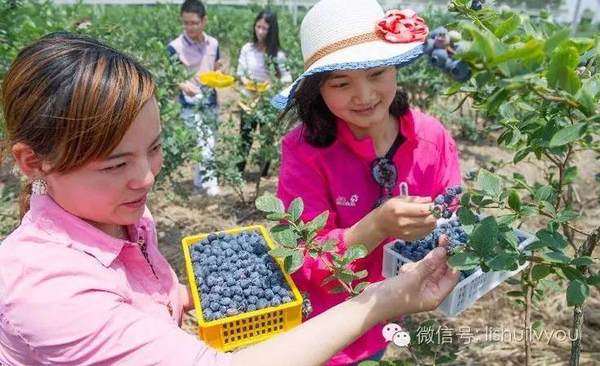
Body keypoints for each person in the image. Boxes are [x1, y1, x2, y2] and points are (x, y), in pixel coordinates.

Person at [0, 32, 459, 365]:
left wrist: (188, 300)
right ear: (32, 161)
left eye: (155, 149)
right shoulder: (45, 290)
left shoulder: (111, 213)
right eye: (115, 164)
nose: (146, 178)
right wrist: (385, 296)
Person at [273, 0, 462, 365]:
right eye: (341, 84)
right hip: (321, 331)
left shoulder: (431, 139)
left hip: (388, 318)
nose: (364, 96)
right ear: (319, 90)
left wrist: (440, 244)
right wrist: (375, 225)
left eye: (376, 74)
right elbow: (300, 257)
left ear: (395, 68)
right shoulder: (303, 151)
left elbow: (453, 212)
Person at [168, 0, 222, 196]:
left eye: (194, 23)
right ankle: (210, 184)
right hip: (190, 103)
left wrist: (220, 74)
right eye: (186, 23)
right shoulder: (174, 47)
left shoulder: (213, 44)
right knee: (203, 141)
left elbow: (215, 68)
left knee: (211, 141)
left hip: (211, 100)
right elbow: (172, 77)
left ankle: (199, 184)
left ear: (204, 21)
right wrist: (184, 86)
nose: (189, 27)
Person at [236, 10, 292, 177]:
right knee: (245, 137)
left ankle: (262, 173)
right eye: (258, 27)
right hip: (248, 101)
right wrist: (248, 82)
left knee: (266, 139)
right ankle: (239, 172)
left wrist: (270, 87)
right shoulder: (248, 49)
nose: (260, 32)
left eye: (264, 28)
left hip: (268, 103)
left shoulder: (278, 55)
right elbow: (241, 71)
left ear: (272, 31)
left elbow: (286, 78)